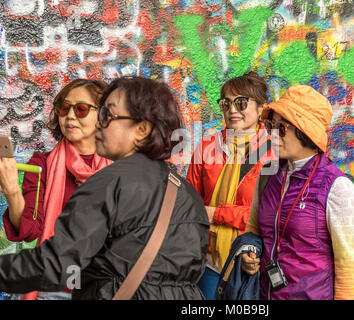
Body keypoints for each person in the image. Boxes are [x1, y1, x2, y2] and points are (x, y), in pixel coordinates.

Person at [0, 76, 209, 300]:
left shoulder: (109, 183)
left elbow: (54, 265)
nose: (99, 123)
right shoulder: (186, 193)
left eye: (108, 116)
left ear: (141, 129)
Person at [242, 85, 354, 300]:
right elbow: (253, 230)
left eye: (281, 128)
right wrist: (248, 253)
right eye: (271, 125)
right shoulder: (268, 175)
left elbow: (347, 269)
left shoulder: (337, 187)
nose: (273, 135)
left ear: (304, 131)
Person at [0, 79, 112, 300]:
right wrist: (12, 190)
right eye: (64, 107)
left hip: (106, 287)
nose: (70, 115)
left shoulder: (121, 167)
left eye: (81, 109)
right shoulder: (42, 164)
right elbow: (29, 230)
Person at [186, 71, 272, 299]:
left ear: (261, 108)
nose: (232, 110)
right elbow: (189, 206)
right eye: (226, 103)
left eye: (241, 103)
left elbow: (270, 216)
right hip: (209, 263)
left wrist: (217, 214)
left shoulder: (274, 153)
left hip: (253, 263)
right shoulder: (206, 147)